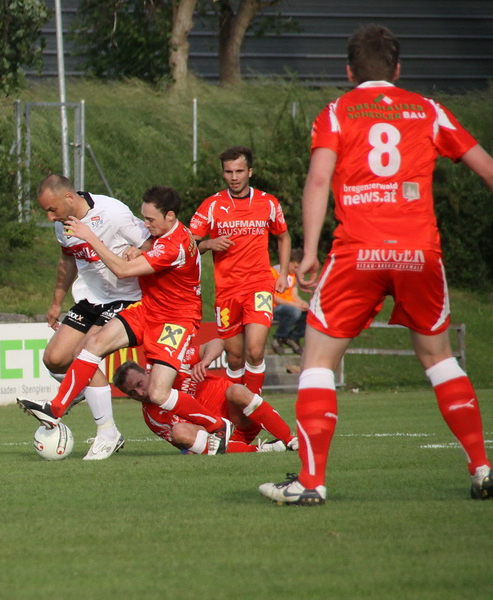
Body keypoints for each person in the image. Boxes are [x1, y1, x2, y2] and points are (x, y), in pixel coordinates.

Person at [259, 24, 493, 505]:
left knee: (317, 361)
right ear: (398, 69)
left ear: (349, 72)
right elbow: (487, 169)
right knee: (439, 359)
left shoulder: (337, 112)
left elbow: (318, 181)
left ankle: (310, 482)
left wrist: (309, 251)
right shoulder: (428, 110)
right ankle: (482, 468)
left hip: (358, 251)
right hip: (419, 252)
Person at [18, 186, 234, 454]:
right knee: (92, 345)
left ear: (169, 216)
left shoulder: (174, 245)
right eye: (143, 217)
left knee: (158, 394)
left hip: (175, 321)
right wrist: (140, 250)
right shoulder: (164, 235)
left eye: (150, 220)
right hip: (148, 309)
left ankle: (217, 425)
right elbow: (150, 248)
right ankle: (55, 408)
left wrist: (90, 236)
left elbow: (122, 271)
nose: (144, 224)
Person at [34, 174, 151, 460]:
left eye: (52, 209)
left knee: (83, 354)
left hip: (127, 298)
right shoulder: (63, 224)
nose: (50, 217)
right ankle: (81, 388)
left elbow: (153, 243)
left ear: (68, 198)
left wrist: (139, 251)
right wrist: (56, 301)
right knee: (54, 359)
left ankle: (108, 432)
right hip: (91, 300)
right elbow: (67, 260)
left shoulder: (112, 212)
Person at [190, 146, 292, 395]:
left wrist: (282, 273)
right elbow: (187, 245)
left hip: (259, 284)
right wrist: (208, 244)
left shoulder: (268, 202)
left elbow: (283, 236)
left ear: (250, 172)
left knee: (255, 351)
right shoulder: (212, 205)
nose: (234, 177)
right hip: (227, 290)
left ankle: (253, 408)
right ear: (223, 173)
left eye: (239, 171)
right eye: (229, 172)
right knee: (235, 359)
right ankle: (236, 408)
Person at [113, 337, 298, 454]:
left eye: (139, 384)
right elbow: (184, 442)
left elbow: (217, 343)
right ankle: (260, 450)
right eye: (132, 393)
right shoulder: (152, 417)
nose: (140, 393)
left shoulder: (173, 365)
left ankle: (290, 440)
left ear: (147, 372)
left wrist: (205, 361)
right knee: (179, 432)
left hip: (240, 418)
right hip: (219, 439)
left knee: (236, 391)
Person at [270, 248, 309, 356]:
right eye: (295, 267)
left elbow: (294, 295)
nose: (296, 270)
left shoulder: (292, 275)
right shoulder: (274, 272)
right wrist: (294, 305)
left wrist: (302, 303)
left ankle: (294, 337)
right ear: (288, 262)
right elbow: (272, 297)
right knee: (294, 311)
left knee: (309, 313)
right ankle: (279, 337)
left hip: (289, 306)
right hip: (275, 307)